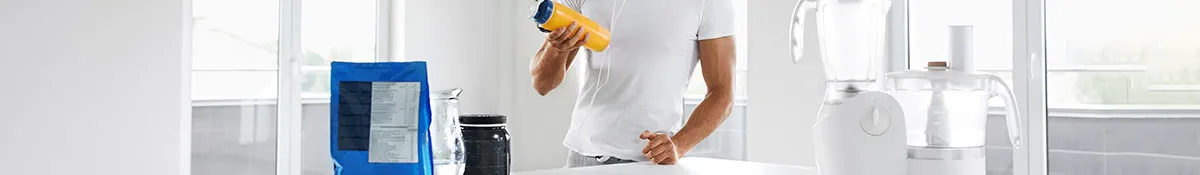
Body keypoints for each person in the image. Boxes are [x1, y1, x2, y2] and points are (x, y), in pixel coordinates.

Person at [529, 0, 736, 167]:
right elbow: (542, 83)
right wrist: (556, 48)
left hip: (650, 162)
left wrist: (679, 145)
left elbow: (722, 92)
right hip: (583, 157)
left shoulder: (711, 3)